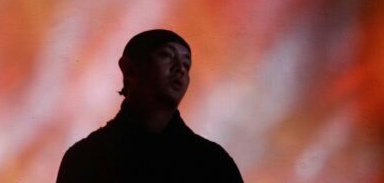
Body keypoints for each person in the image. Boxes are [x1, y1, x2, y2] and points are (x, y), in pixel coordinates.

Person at [56, 29, 243, 182]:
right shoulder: (85, 158)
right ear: (130, 69)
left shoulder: (213, 163)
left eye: (187, 64)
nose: (180, 69)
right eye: (166, 55)